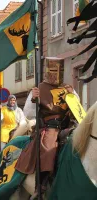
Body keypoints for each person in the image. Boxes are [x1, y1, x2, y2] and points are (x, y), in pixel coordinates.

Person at [15, 58, 79, 197]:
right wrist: (34, 99)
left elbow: (78, 109)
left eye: (60, 70)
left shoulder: (67, 88)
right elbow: (28, 113)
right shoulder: (39, 88)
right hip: (49, 126)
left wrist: (73, 96)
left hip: (68, 124)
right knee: (49, 148)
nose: (56, 73)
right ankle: (41, 184)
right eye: (54, 70)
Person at [0, 94, 27, 176]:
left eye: (14, 100)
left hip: (16, 127)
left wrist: (21, 127)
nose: (12, 102)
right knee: (3, 135)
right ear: (8, 101)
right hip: (5, 127)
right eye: (11, 100)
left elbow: (22, 120)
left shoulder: (19, 110)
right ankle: (2, 154)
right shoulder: (4, 109)